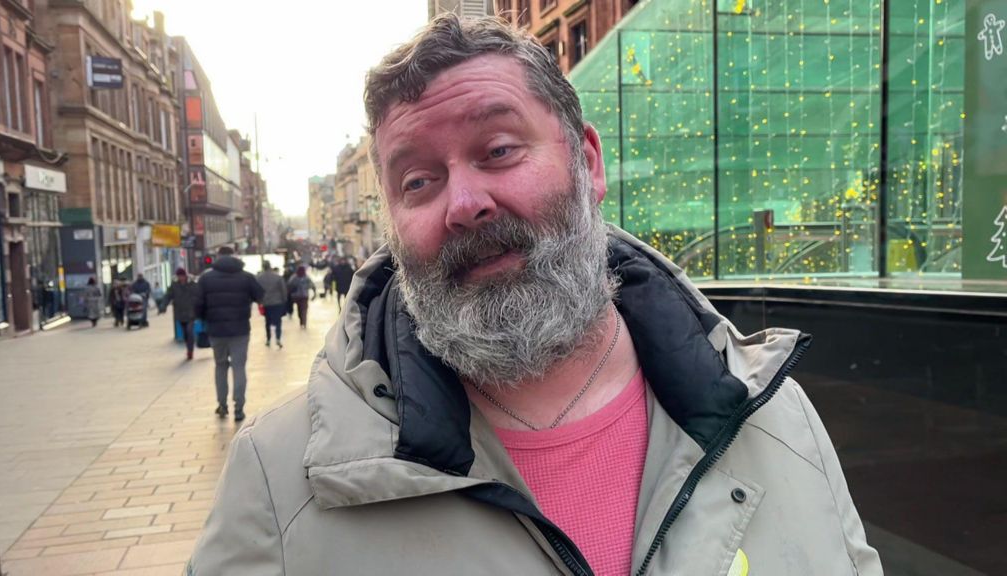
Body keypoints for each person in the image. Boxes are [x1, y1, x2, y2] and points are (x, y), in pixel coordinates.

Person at [188, 15, 882, 576]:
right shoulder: (276, 482)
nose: (463, 203)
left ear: (587, 161)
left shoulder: (775, 415)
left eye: (498, 150)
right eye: (419, 182)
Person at [194, 246, 265, 422]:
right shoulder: (246, 277)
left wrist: (205, 318)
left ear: (217, 257)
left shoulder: (205, 278)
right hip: (240, 330)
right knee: (239, 367)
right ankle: (239, 407)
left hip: (216, 330)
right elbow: (260, 296)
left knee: (220, 366)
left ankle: (222, 404)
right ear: (233, 255)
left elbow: (197, 305)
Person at [160, 268, 200, 360]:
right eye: (179, 276)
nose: (181, 278)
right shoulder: (174, 285)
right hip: (180, 313)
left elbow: (199, 295)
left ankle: (190, 351)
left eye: (182, 276)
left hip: (191, 313)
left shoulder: (192, 284)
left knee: (190, 331)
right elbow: (168, 296)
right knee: (185, 333)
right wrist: (163, 306)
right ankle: (188, 346)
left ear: (185, 275)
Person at [256, 261, 287, 348]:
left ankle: (268, 339)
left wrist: (259, 301)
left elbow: (257, 290)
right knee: (278, 321)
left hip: (265, 303)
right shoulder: (277, 277)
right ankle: (278, 338)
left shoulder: (259, 278)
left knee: (267, 321)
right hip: (277, 302)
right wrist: (284, 300)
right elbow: (283, 290)